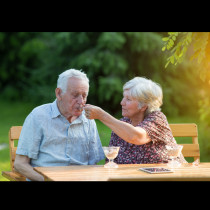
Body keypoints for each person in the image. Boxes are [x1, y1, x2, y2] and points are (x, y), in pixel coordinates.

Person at [14, 69, 105, 181]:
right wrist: (47, 180)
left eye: (84, 95)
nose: (81, 101)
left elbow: (93, 164)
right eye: (75, 95)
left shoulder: (89, 120)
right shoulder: (38, 116)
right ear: (59, 93)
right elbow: (20, 164)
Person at [84, 76, 187, 164]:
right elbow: (111, 162)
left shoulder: (157, 119)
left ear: (143, 106)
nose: (122, 102)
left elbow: (136, 136)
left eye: (128, 99)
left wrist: (102, 115)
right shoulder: (122, 125)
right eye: (123, 97)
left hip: (168, 176)